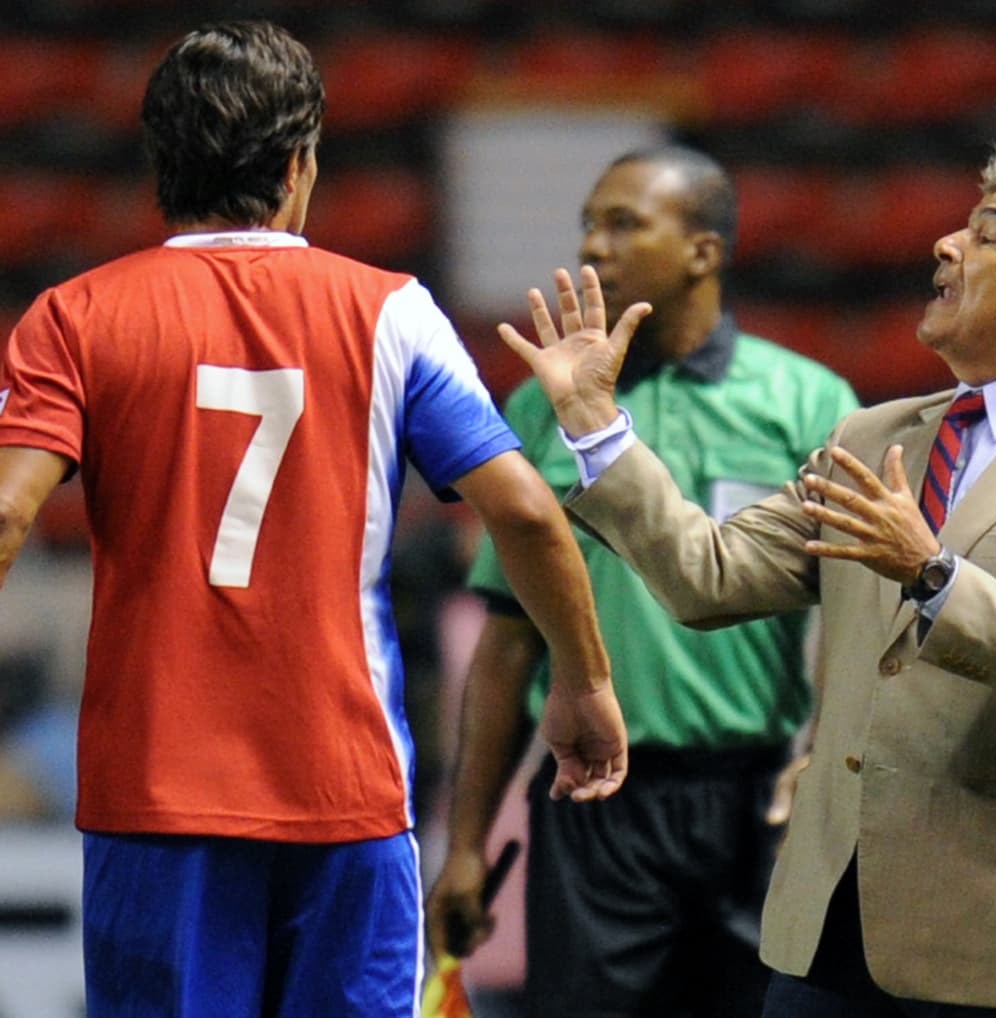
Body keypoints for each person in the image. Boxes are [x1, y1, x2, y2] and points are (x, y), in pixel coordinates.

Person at [0, 20, 628, 1018]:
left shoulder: (73, 317)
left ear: (160, 164)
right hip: (345, 792)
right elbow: (526, 513)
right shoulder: (391, 311)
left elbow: (6, 514)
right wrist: (583, 683)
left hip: (155, 799)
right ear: (299, 166)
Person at [499, 144, 996, 1017]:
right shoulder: (873, 439)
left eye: (986, 236)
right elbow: (708, 577)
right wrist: (598, 427)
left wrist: (933, 574)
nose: (945, 245)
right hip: (827, 938)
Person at [426, 145, 858, 1017]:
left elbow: (853, 619)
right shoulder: (539, 409)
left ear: (704, 250)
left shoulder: (810, 400)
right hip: (595, 805)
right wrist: (466, 844)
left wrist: (822, 752)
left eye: (624, 222)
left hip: (758, 805)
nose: (593, 244)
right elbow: (509, 640)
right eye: (588, 222)